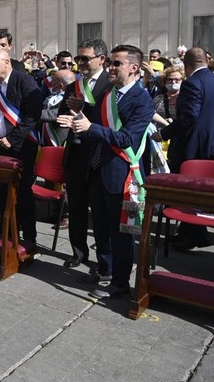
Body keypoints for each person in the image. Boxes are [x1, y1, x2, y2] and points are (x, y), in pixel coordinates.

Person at [58, 44, 154, 299]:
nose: (110, 67)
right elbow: (96, 123)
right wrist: (79, 114)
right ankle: (105, 270)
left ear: (133, 68)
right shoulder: (109, 93)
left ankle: (120, 284)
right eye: (111, 62)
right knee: (100, 226)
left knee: (122, 232)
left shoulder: (142, 100)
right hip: (98, 170)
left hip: (124, 175)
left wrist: (88, 126)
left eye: (116, 63)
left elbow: (126, 139)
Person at [58, 39, 112, 269]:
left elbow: (110, 120)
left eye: (84, 58)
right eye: (78, 58)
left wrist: (84, 110)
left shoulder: (111, 84)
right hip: (77, 153)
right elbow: (63, 112)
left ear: (101, 59)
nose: (79, 63)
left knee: (100, 212)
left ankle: (104, 259)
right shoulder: (74, 85)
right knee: (77, 207)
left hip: (100, 154)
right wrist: (67, 115)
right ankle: (78, 252)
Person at [155, 47, 214, 250]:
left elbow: (188, 117)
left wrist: (163, 134)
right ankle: (188, 233)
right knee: (199, 192)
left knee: (187, 191)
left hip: (191, 146)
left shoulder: (192, 83)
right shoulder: (213, 80)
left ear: (187, 66)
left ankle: (195, 235)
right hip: (209, 145)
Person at [0, 49, 42, 245]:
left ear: (6, 62)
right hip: (1, 145)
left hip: (22, 145)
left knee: (23, 191)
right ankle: (8, 231)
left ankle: (29, 237)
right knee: (2, 190)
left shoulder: (24, 81)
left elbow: (33, 115)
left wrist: (13, 138)